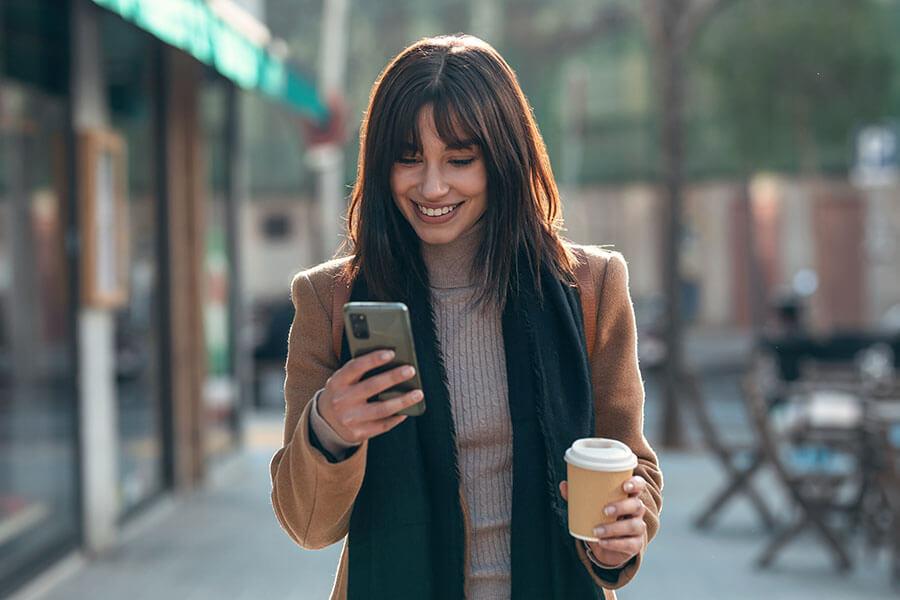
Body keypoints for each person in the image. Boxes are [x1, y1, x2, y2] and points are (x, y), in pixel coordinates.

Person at [270, 34, 662, 600]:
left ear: (503, 159)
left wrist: (623, 532)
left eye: (460, 160)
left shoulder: (590, 289)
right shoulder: (330, 302)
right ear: (381, 166)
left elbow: (632, 468)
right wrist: (330, 429)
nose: (432, 186)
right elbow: (308, 526)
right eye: (409, 159)